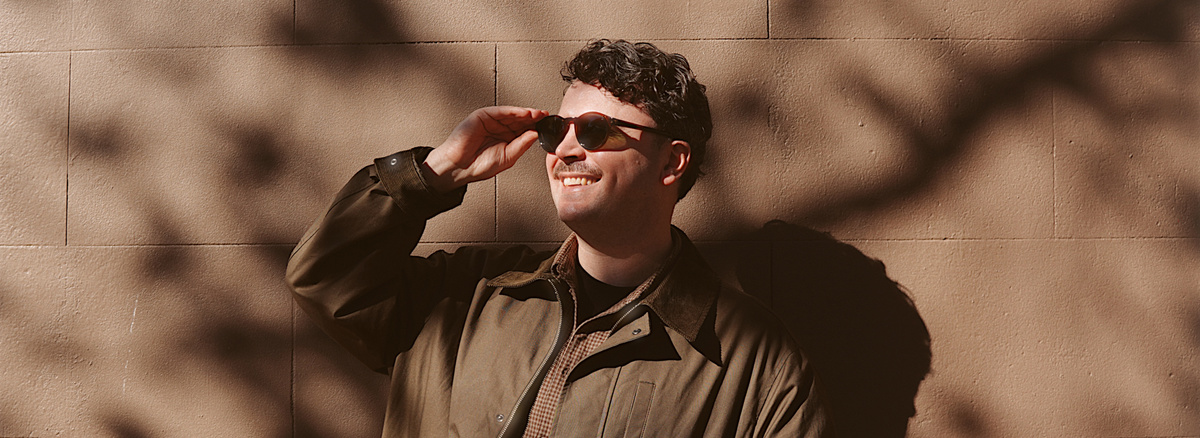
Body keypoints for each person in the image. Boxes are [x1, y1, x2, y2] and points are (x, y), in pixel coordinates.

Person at [286, 39, 833, 438]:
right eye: (554, 131)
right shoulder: (465, 295)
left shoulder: (753, 361)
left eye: (595, 130)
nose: (565, 150)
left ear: (672, 161)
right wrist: (432, 175)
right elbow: (325, 279)